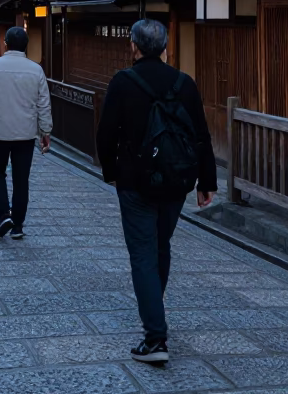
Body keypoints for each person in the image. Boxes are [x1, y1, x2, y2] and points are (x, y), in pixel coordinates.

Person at [96, 19, 217, 366]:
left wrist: (112, 172)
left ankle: (155, 337)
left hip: (135, 181)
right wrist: (206, 181)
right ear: (165, 48)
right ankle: (155, 311)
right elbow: (201, 135)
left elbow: (106, 133)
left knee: (142, 252)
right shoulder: (184, 83)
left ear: (133, 46)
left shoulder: (123, 82)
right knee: (160, 245)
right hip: (177, 180)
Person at [0, 26, 51, 239]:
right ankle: (18, 225)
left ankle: (3, 214)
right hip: (25, 133)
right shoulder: (36, 70)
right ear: (26, 45)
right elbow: (43, 103)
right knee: (21, 178)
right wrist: (45, 130)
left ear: (5, 43)